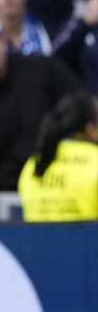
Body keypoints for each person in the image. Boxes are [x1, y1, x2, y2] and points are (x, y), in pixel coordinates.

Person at [0, 16, 82, 195]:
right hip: (6, 197)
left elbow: (82, 106)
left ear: (2, 41)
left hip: (63, 183)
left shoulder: (42, 68)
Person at [18, 91, 98, 222]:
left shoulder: (34, 162)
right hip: (88, 240)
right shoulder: (95, 159)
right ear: (89, 128)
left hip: (40, 241)